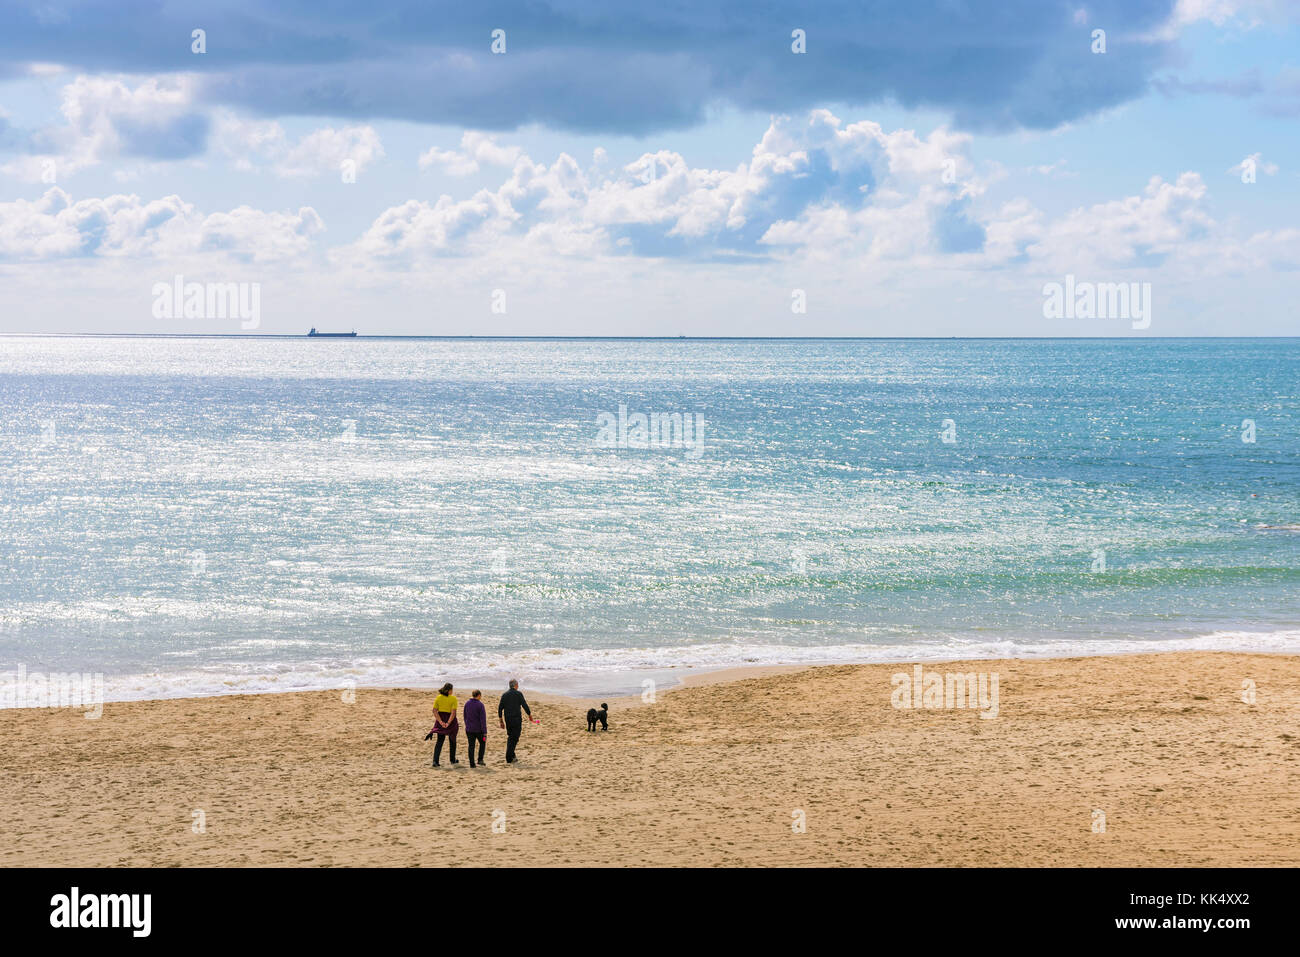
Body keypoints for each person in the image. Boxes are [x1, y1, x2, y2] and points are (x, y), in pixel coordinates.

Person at [497, 678, 535, 763]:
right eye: (517, 684)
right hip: (516, 720)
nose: (518, 686)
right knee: (514, 738)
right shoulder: (518, 694)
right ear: (515, 685)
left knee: (511, 737)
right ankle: (508, 757)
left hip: (508, 720)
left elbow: (500, 708)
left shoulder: (504, 695)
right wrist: (529, 715)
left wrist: (501, 721)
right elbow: (524, 705)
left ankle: (512, 755)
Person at [430, 682, 459, 767]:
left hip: (441, 718)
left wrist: (440, 721)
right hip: (451, 720)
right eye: (452, 690)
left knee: (439, 741)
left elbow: (434, 710)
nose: (452, 691)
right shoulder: (453, 699)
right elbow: (453, 713)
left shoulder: (438, 698)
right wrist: (448, 723)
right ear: (449, 690)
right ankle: (452, 760)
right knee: (452, 740)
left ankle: (435, 761)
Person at [463, 690, 488, 768]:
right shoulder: (480, 705)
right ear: (479, 695)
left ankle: (472, 763)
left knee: (471, 746)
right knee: (483, 742)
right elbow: (483, 720)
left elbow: (465, 716)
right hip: (479, 730)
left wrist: (467, 724)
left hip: (469, 729)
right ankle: (480, 760)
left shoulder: (467, 703)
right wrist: (485, 731)